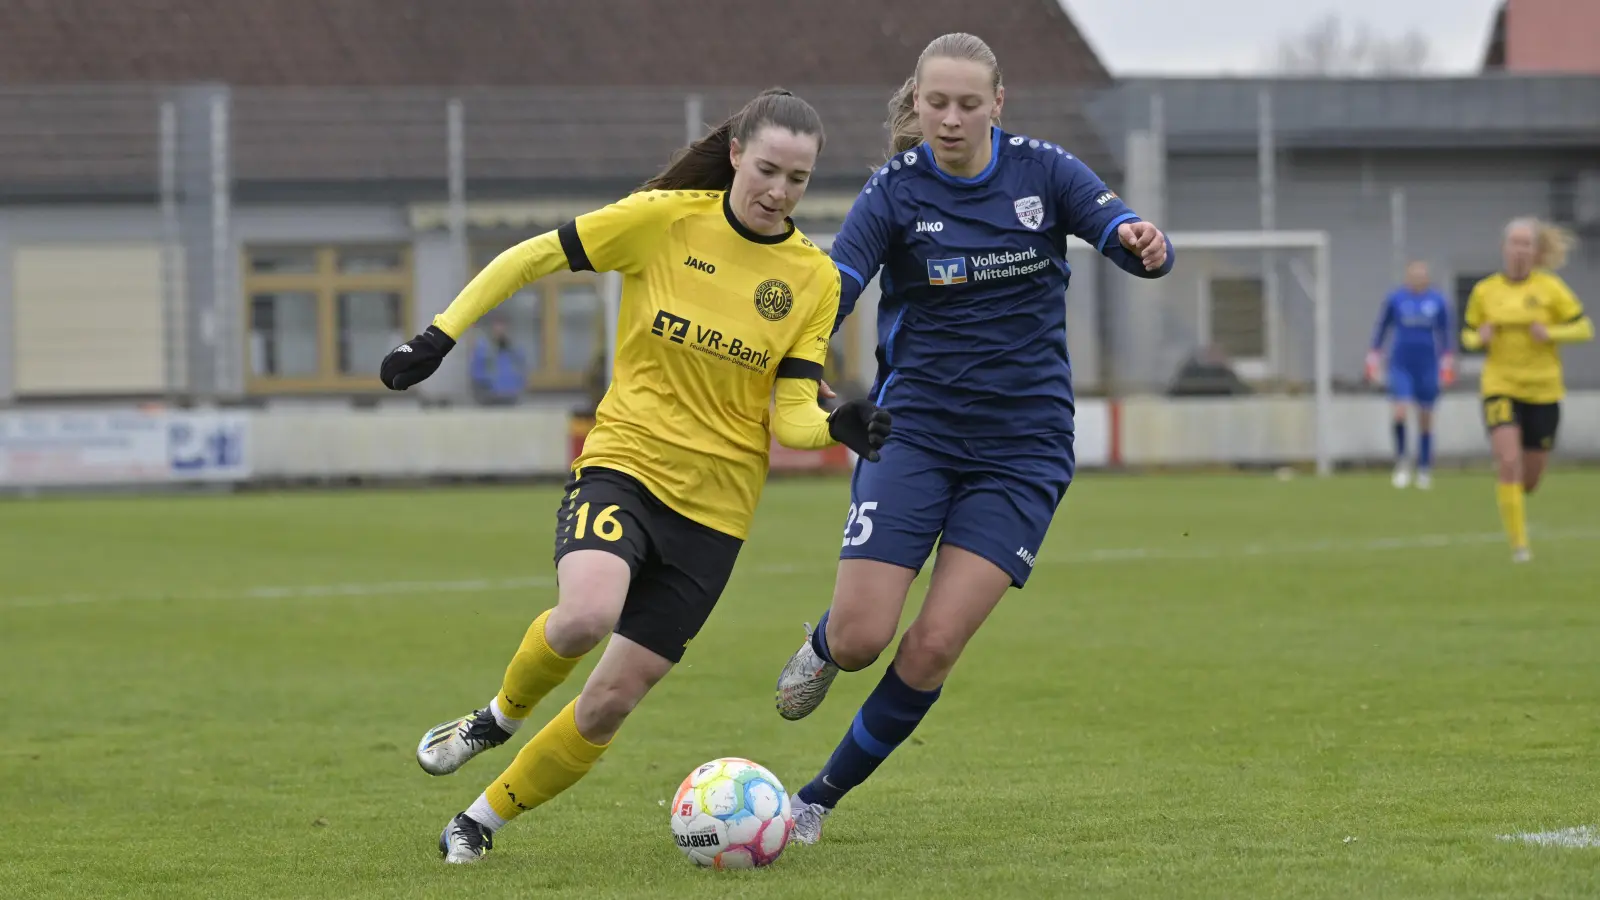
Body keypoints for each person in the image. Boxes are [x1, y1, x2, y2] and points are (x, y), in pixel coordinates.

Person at [377, 87, 892, 864]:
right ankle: (496, 717)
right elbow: (531, 255)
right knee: (585, 616)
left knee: (611, 701)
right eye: (766, 170)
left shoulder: (813, 278)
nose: (778, 191)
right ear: (735, 156)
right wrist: (440, 335)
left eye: (798, 179)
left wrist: (836, 427)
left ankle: (477, 822)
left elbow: (789, 411)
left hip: (715, 516)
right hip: (626, 463)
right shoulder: (665, 221)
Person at [771, 32, 1174, 844]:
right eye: (936, 103)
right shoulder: (894, 191)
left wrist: (1144, 243)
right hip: (915, 433)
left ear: (998, 103)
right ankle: (824, 643)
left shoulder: (1044, 172)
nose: (950, 119)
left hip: (1024, 451)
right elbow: (837, 286)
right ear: (917, 103)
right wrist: (795, 363)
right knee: (861, 638)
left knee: (933, 645)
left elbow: (1124, 234)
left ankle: (816, 800)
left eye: (966, 104)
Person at [1462, 217, 1591, 562]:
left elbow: (1584, 328)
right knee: (1508, 462)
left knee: (1529, 481)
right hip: (1500, 386)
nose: (1519, 250)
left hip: (1544, 390)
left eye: (1526, 244)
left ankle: (1512, 494)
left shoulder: (1550, 288)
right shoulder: (1486, 291)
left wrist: (1551, 333)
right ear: (1503, 248)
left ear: (1536, 251)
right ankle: (1520, 547)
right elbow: (1468, 334)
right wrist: (1478, 338)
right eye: (1514, 243)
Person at [1365, 261, 1454, 489]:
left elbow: (1445, 333)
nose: (1417, 278)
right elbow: (1381, 328)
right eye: (1414, 274)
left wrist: (1447, 362)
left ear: (1427, 277)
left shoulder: (1437, 301)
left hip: (1427, 365)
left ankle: (1424, 467)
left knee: (1425, 417)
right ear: (1407, 277)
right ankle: (1402, 463)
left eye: (1421, 274)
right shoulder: (1396, 299)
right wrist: (1374, 356)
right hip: (1401, 364)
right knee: (1400, 412)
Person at [468, 317, 528, 405]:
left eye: (502, 326)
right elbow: (477, 373)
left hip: (510, 395)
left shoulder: (513, 350)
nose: (500, 330)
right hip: (489, 395)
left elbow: (521, 370)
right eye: (497, 326)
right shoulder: (483, 349)